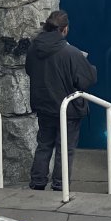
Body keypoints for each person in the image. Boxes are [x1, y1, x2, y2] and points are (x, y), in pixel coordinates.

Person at [25, 10, 98, 191]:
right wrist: (89, 66)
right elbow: (87, 80)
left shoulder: (34, 48)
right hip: (68, 109)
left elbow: (29, 70)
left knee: (44, 145)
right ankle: (59, 185)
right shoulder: (71, 53)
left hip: (43, 106)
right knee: (65, 148)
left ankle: (37, 182)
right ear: (65, 29)